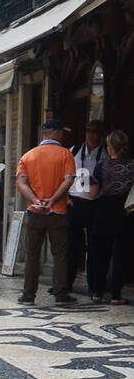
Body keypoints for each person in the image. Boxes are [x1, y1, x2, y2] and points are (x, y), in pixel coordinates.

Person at [16, 118, 77, 305]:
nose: (63, 135)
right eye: (62, 132)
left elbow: (21, 182)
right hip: (57, 212)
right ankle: (60, 294)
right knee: (60, 255)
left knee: (32, 255)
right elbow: (69, 179)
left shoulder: (28, 156)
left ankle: (28, 295)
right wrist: (54, 198)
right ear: (55, 132)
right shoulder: (66, 154)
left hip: (35, 213)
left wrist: (35, 200)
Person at [87, 129, 134, 305]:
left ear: (110, 147)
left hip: (104, 211)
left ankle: (98, 293)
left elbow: (92, 193)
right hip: (125, 213)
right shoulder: (132, 166)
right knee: (121, 254)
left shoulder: (101, 166)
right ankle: (116, 295)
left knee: (101, 254)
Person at [69, 120, 105, 291]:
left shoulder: (106, 154)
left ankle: (95, 285)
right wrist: (65, 198)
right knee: (71, 246)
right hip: (75, 203)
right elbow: (63, 176)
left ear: (101, 134)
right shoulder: (73, 151)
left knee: (95, 247)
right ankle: (65, 284)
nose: (91, 135)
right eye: (88, 130)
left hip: (96, 204)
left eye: (95, 131)